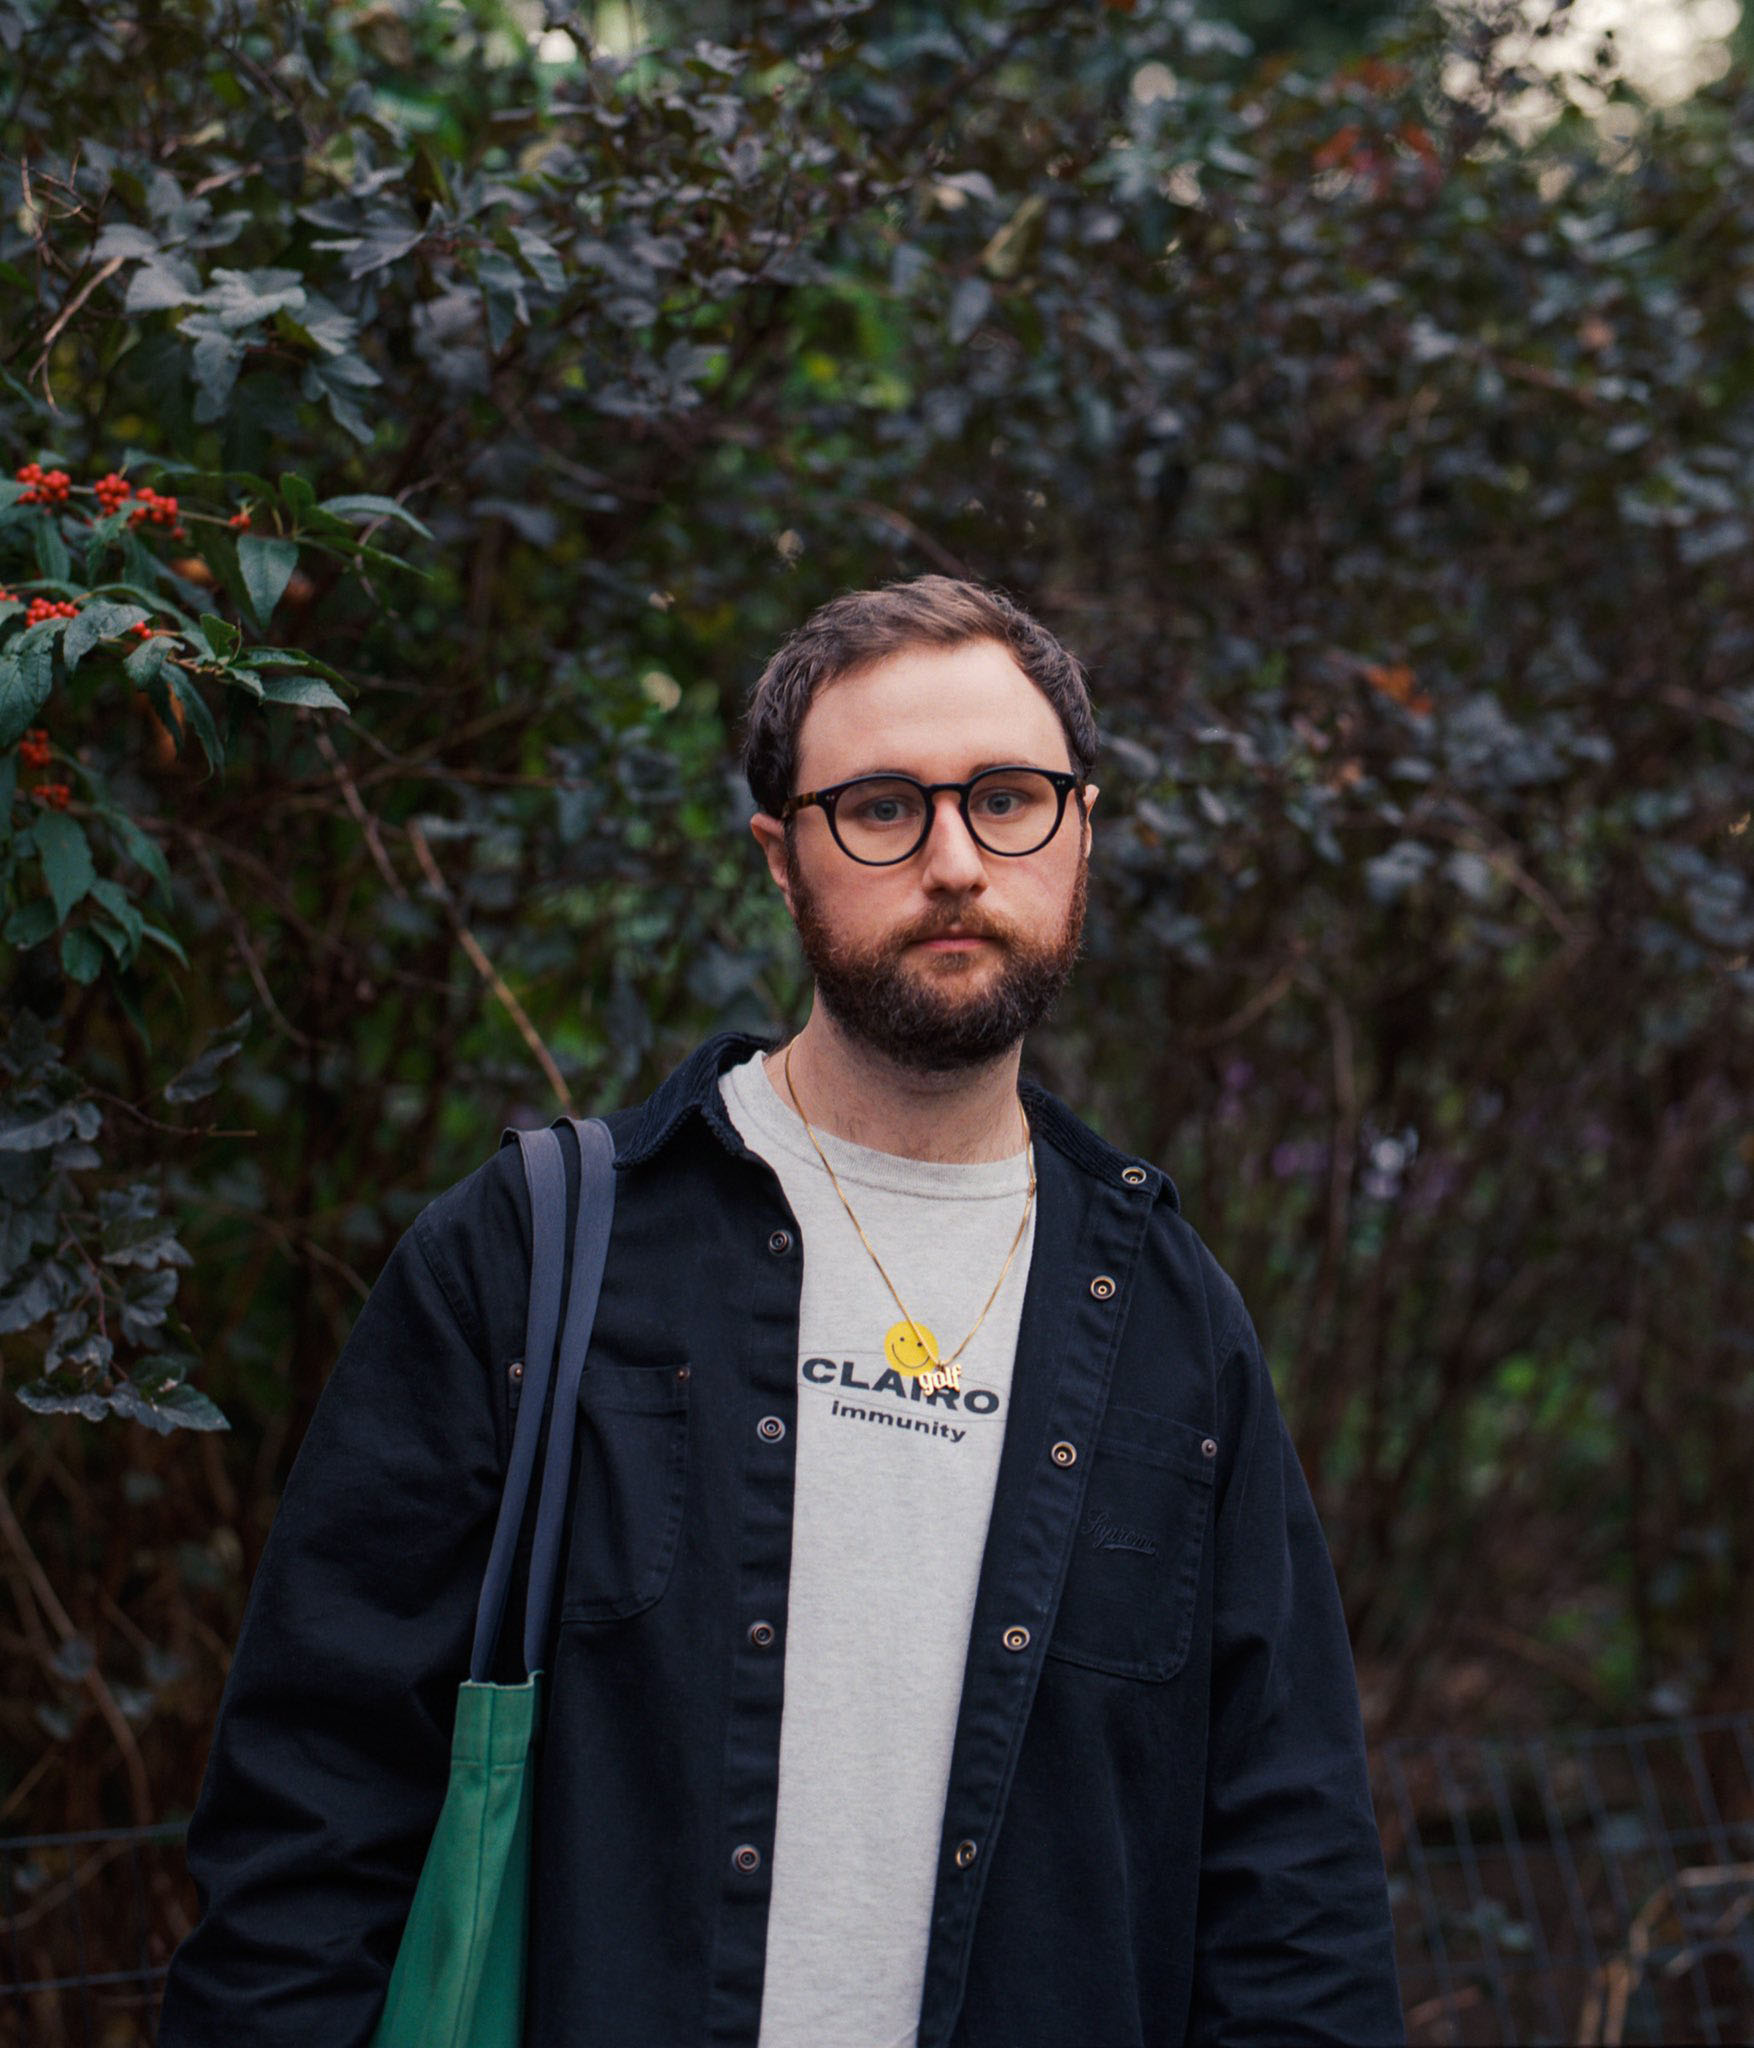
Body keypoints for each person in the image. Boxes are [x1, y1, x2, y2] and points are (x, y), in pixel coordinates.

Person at [159, 576, 1403, 2047]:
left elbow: (1289, 1884)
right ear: (780, 856)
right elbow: (310, 1822)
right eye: (881, 808)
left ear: (1078, 829)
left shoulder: (1172, 1323)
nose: (952, 860)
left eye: (1007, 799)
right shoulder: (536, 1253)